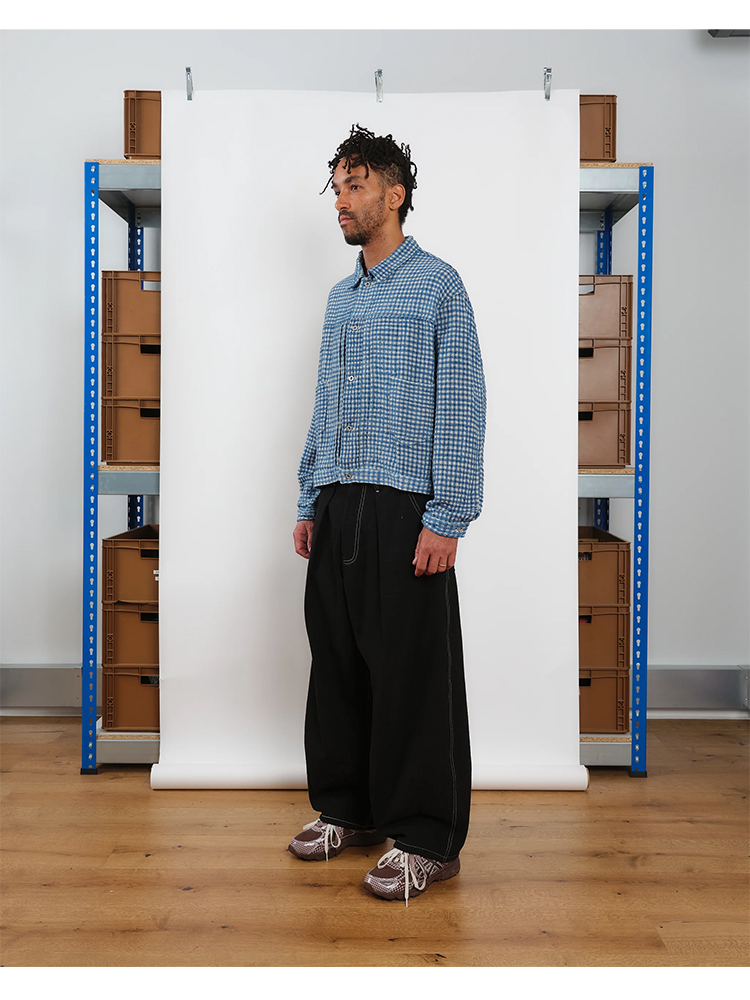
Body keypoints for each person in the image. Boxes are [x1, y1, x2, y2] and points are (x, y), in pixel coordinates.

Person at [289, 123, 486, 906]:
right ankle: (350, 809)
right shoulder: (340, 299)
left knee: (413, 678)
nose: (341, 200)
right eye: (337, 187)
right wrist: (310, 497)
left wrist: (450, 515)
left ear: (394, 193)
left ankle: (429, 839)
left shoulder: (439, 285)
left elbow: (462, 404)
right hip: (339, 502)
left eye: (356, 185)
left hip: (407, 507)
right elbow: (324, 404)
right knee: (338, 665)